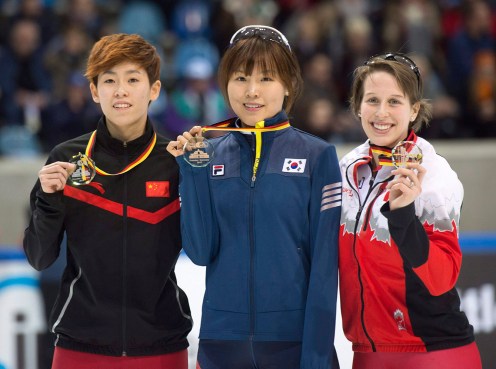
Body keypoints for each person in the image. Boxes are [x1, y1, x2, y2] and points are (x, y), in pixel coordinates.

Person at [167, 25, 342, 369]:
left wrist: (317, 357)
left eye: (266, 78)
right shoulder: (209, 155)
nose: (251, 91)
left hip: (291, 345)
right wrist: (191, 172)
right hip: (220, 344)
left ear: (289, 83)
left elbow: (324, 270)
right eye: (240, 77)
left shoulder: (318, 156)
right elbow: (200, 252)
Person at [23, 33, 192, 369]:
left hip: (162, 346)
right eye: (109, 80)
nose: (121, 91)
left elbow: (202, 249)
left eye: (132, 79)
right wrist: (50, 199)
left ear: (154, 90)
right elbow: (39, 257)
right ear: (95, 91)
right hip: (79, 347)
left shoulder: (175, 160)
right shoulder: (67, 158)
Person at [339, 52, 482, 369]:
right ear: (357, 106)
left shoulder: (434, 173)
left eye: (394, 102)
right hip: (366, 352)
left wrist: (402, 216)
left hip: (433, 353)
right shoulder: (346, 169)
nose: (381, 112)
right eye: (372, 100)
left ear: (414, 109)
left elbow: (441, 278)